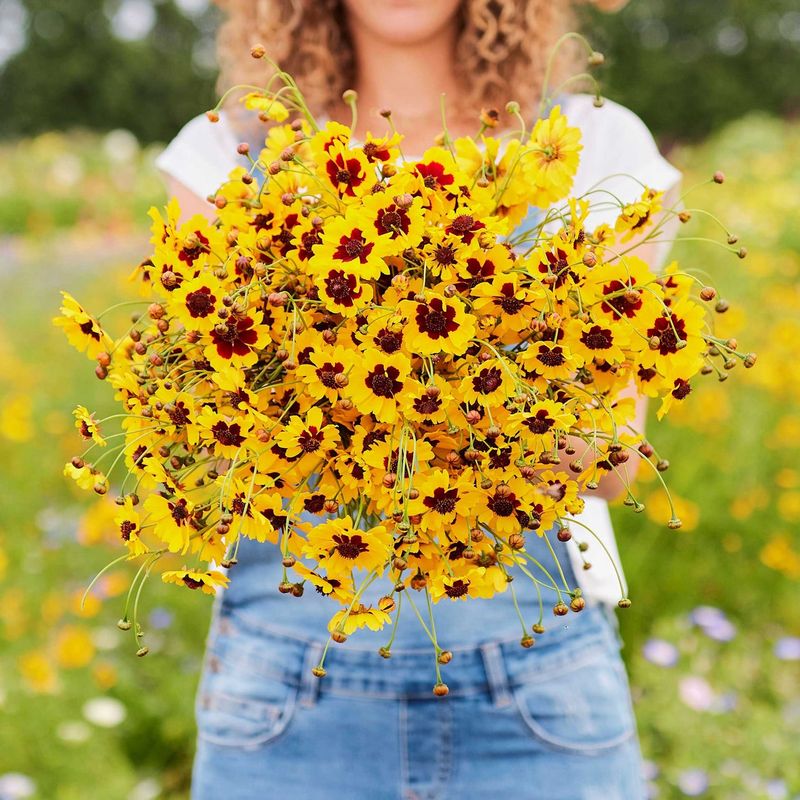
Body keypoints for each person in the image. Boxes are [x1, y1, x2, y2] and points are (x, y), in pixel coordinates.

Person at [154, 1, 681, 797]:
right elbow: (217, 428)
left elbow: (610, 465)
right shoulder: (229, 152)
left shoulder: (596, 142)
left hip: (538, 687)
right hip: (285, 692)